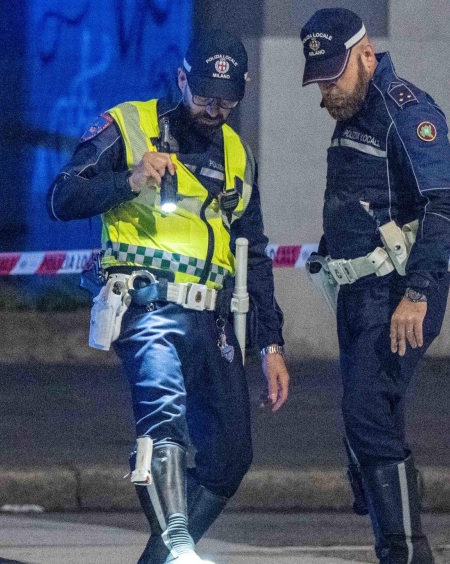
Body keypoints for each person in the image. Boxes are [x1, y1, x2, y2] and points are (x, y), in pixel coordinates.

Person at [48, 30, 290, 564]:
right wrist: (129, 180)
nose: (213, 108)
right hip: (147, 306)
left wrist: (271, 346)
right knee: (165, 430)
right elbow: (62, 197)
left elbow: (253, 254)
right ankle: (180, 550)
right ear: (181, 78)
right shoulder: (127, 125)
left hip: (213, 319)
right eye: (203, 94)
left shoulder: (238, 154)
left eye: (226, 99)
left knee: (231, 456)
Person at [300, 8, 450, 564]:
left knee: (367, 417)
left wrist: (417, 294)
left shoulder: (405, 110)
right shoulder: (354, 110)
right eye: (319, 80)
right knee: (368, 422)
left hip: (397, 295)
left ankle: (406, 553)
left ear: (366, 55)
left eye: (334, 77)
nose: (327, 92)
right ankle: (395, 538)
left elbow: (442, 207)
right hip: (358, 296)